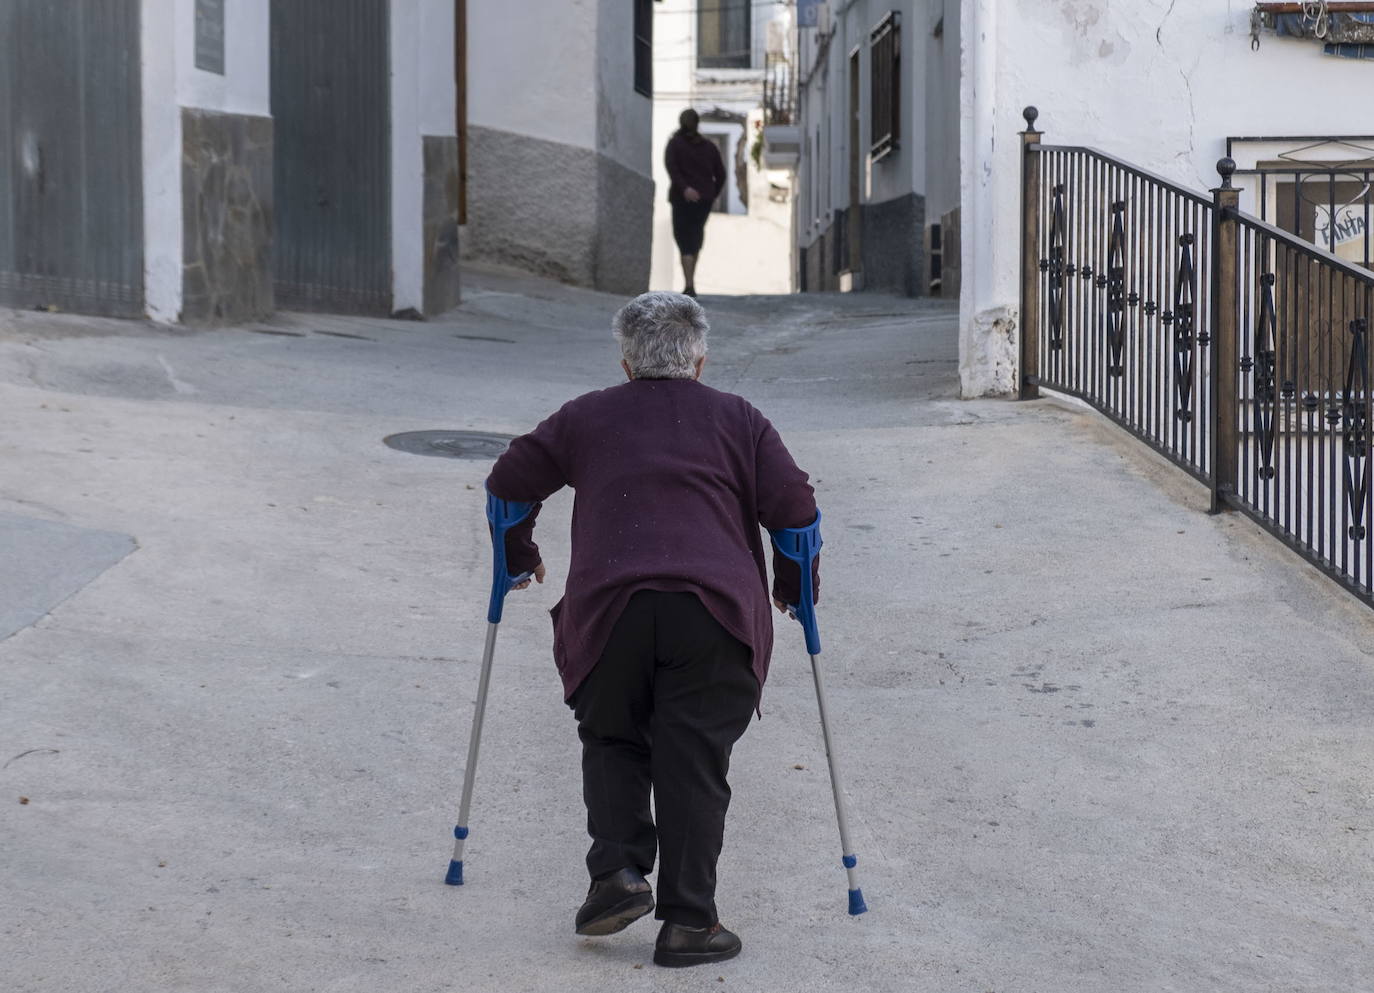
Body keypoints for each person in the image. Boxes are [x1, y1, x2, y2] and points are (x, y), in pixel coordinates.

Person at [485, 291, 818, 968]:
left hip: (610, 609)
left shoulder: (587, 416)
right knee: (692, 757)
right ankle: (690, 922)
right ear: (700, 360)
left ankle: (617, 873)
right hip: (714, 613)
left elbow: (507, 485)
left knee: (612, 732)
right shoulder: (740, 419)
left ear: (627, 363)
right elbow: (797, 516)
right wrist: (795, 589)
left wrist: (517, 557)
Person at [664, 110, 726, 299]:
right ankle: (690, 283)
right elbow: (721, 174)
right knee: (695, 238)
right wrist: (710, 194)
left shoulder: (675, 144)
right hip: (703, 201)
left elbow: (672, 169)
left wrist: (685, 189)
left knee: (683, 240)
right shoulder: (709, 147)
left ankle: (689, 284)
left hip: (681, 198)